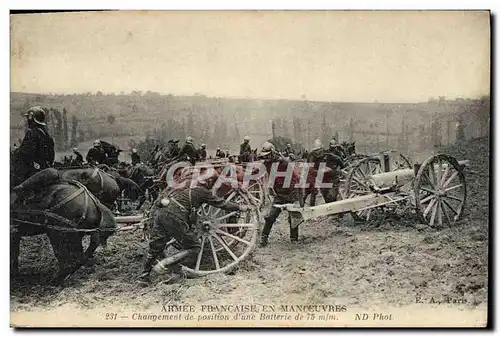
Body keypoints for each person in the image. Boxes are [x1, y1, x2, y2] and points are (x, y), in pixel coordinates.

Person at [137, 173, 249, 286]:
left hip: (161, 215)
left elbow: (161, 202)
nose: (211, 185)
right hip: (175, 218)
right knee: (195, 247)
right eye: (210, 182)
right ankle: (164, 263)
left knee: (155, 248)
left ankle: (143, 278)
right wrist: (239, 207)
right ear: (206, 182)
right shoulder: (202, 191)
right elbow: (221, 204)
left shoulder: (184, 190)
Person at [258, 142, 304, 247]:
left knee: (293, 217)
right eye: (265, 156)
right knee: (271, 217)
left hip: (291, 192)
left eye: (268, 155)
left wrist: (295, 198)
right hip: (279, 193)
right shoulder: (266, 163)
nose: (266, 158)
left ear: (273, 153)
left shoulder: (283, 163)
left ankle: (294, 239)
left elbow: (293, 179)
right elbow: (257, 171)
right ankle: (264, 239)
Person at [14, 106, 55, 181]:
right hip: (45, 169)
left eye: (28, 118)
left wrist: (16, 150)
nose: (27, 121)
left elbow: (25, 153)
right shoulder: (47, 135)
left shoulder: (32, 133)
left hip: (32, 172)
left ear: (31, 119)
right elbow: (51, 155)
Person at [307, 139, 325, 206]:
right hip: (312, 174)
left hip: (312, 173)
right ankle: (311, 207)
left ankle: (311, 206)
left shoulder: (311, 154)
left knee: (313, 191)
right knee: (313, 191)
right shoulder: (318, 154)